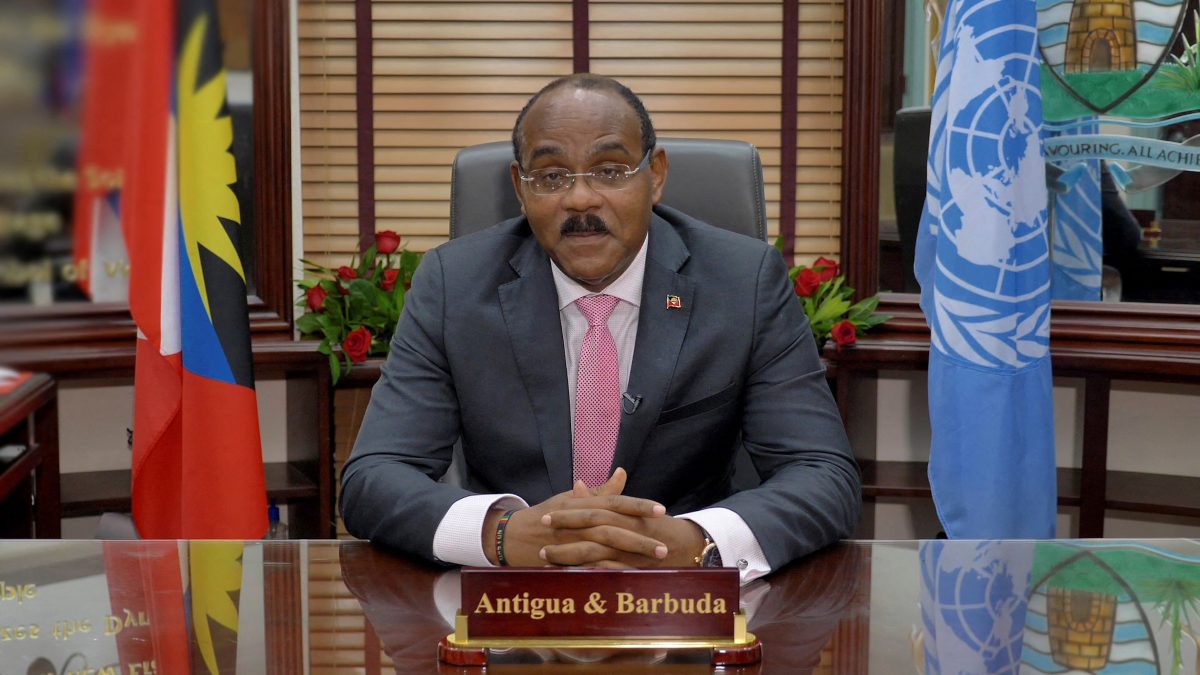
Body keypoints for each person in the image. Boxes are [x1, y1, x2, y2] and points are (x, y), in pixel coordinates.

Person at [340, 74, 860, 582]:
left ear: (655, 175)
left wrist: (697, 540)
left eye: (610, 171)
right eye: (551, 176)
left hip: (684, 608)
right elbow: (374, 478)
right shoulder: (454, 283)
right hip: (513, 605)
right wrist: (502, 534)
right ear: (520, 189)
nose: (581, 200)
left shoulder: (742, 282)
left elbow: (823, 475)